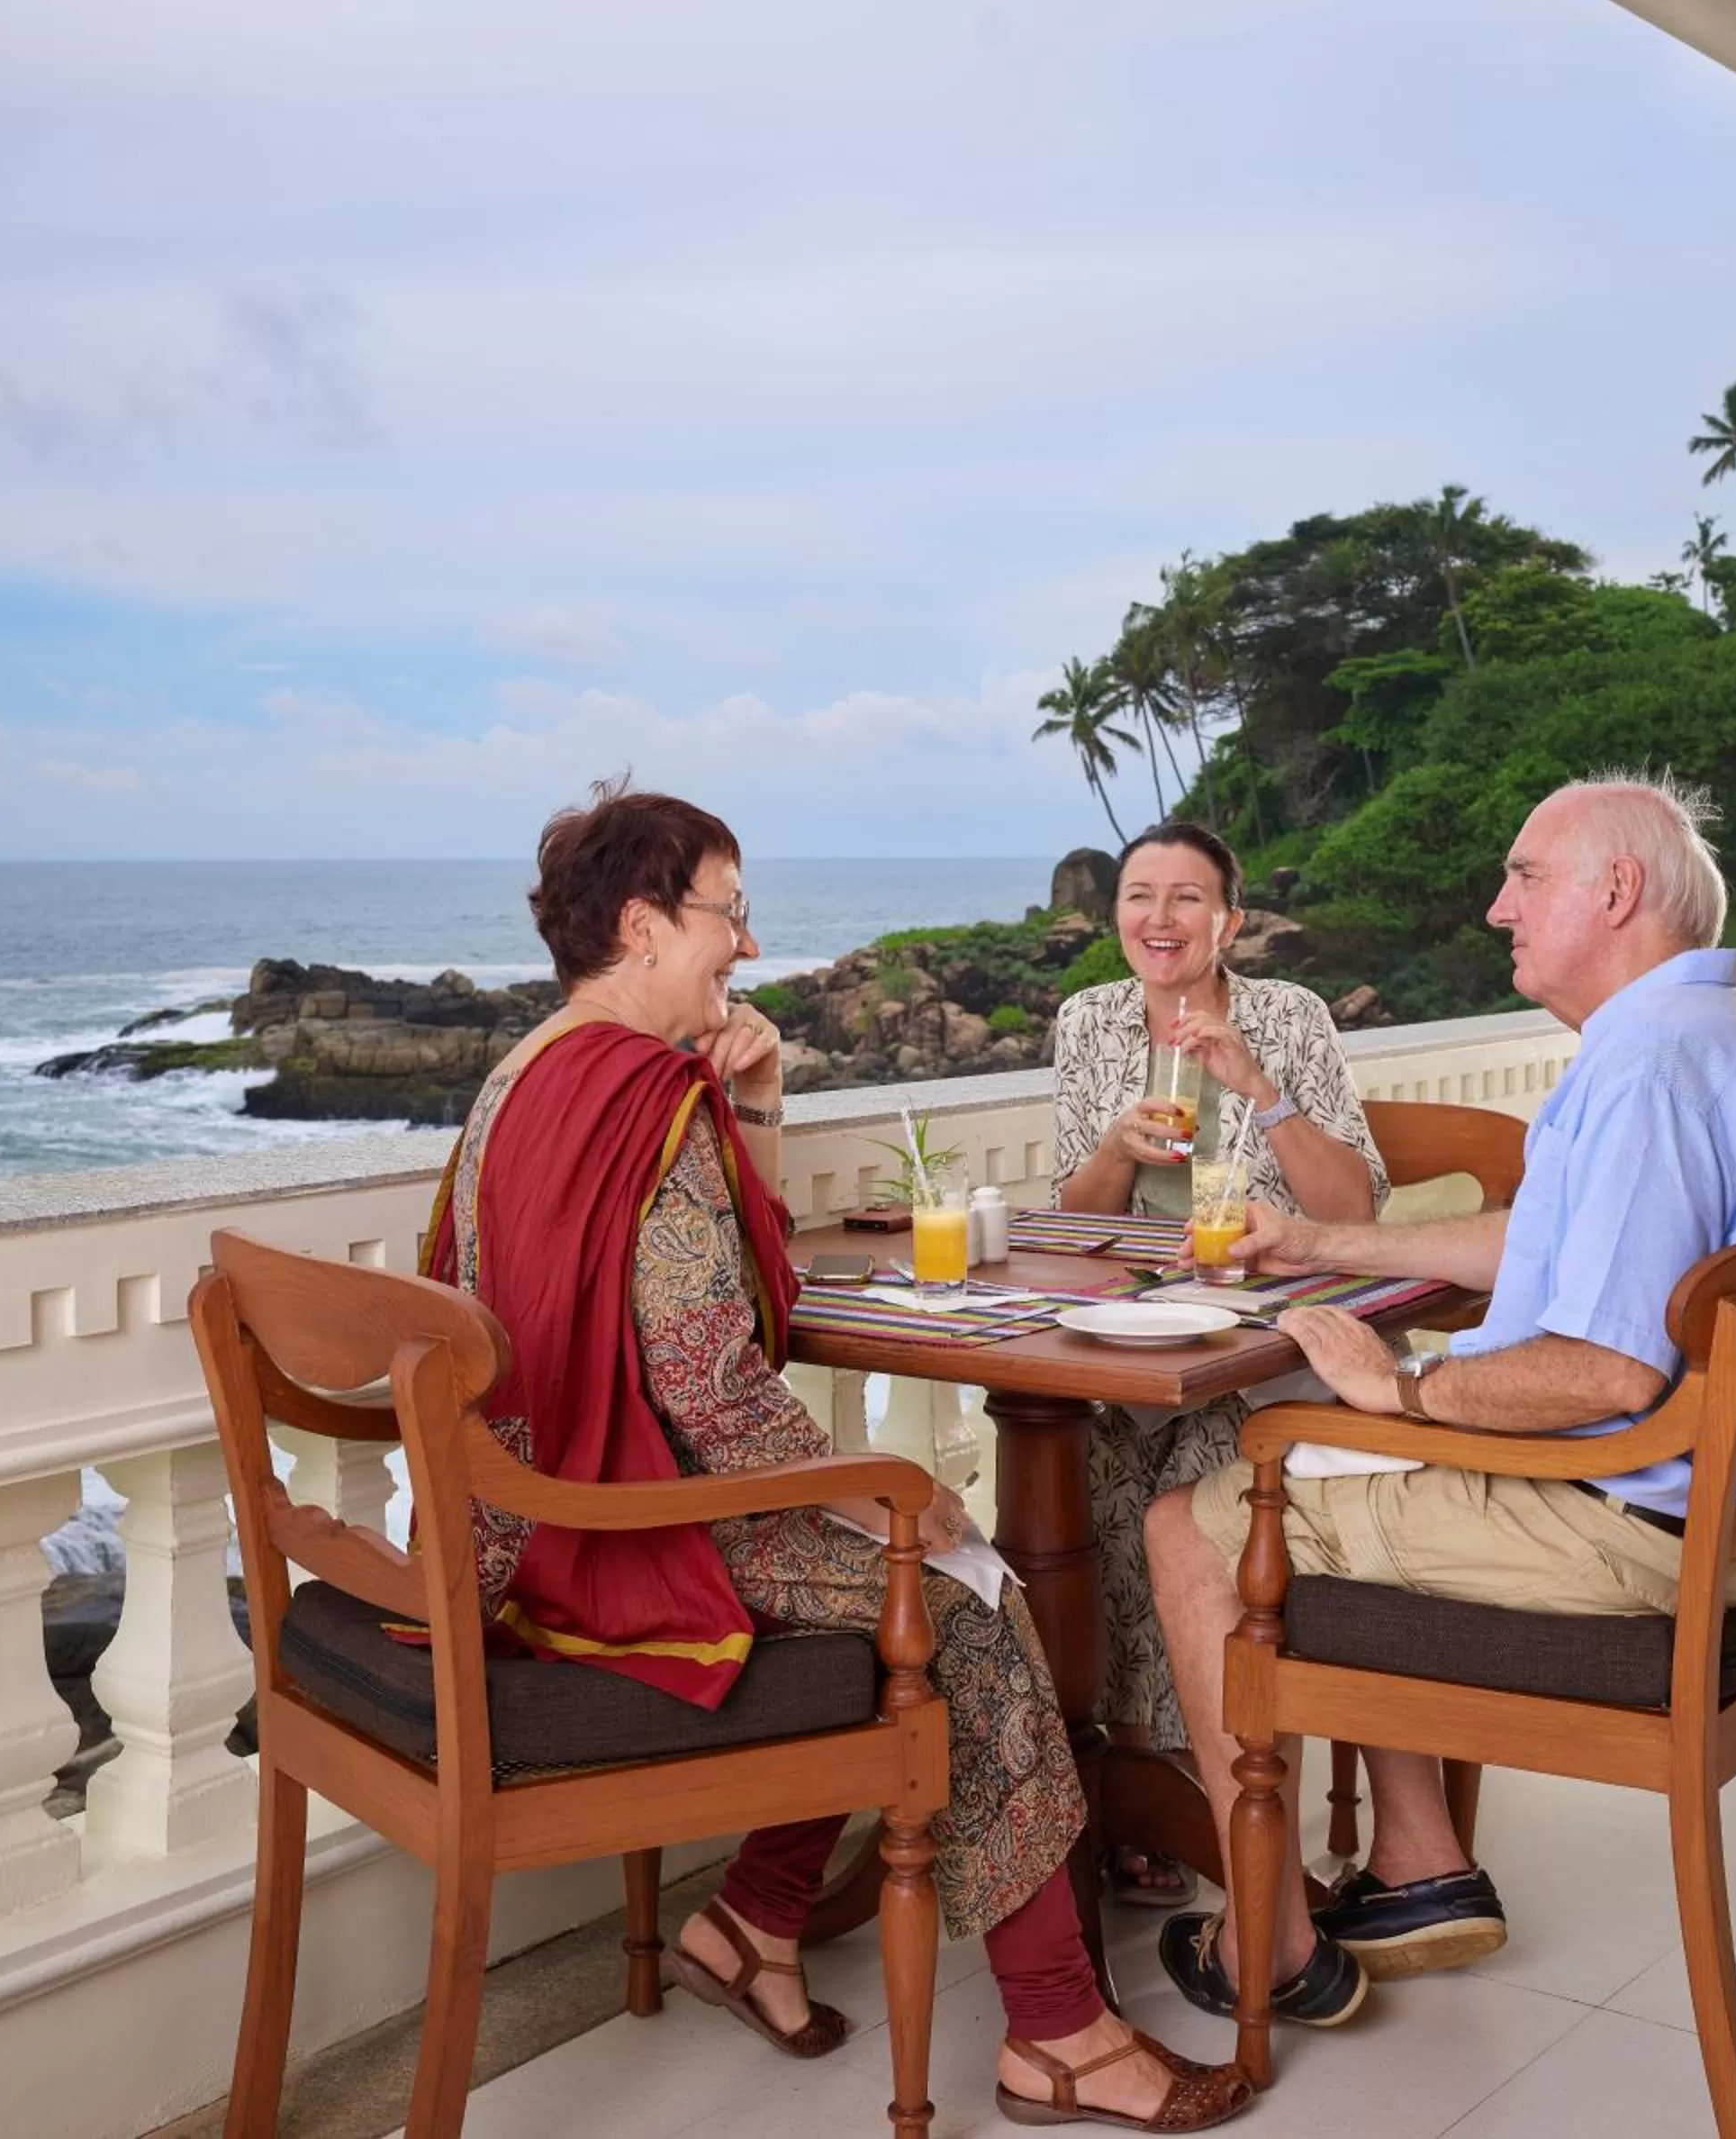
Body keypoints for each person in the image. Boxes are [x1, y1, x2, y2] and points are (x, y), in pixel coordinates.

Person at [424, 780, 1249, 2134]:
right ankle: (1056, 2030)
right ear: (641, 924)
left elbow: (694, 1302)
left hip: (516, 1525)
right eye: (725, 916)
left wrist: (753, 1102)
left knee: (920, 1570)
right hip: (623, 1530)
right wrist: (884, 1502)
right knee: (974, 1596)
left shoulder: (523, 1074)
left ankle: (751, 1920)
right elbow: (706, 1371)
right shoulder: (639, 1091)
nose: (744, 948)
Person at [1144, 773, 1736, 2029]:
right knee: (1323, 1464)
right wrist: (1315, 1244)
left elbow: (1606, 1373)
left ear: (1614, 892)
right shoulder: (1702, 1040)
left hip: (1620, 1537)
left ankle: (1273, 1940)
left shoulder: (1649, 1073)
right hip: (1721, 1522)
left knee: (1193, 1524)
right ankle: (1417, 1867)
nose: (1493, 908)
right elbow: (1546, 1241)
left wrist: (1406, 1388)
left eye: (1523, 877)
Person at [1053, 821, 1386, 1914]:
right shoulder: (1090, 1020)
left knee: (1202, 1466)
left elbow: (1352, 1209)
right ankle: (1125, 1770)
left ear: (1230, 922)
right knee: (1075, 1471)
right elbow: (1070, 1223)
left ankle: (1207, 1785)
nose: (1158, 918)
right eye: (1139, 896)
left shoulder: (1289, 1018)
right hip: (1130, 1331)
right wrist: (1114, 1149)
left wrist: (1261, 1090)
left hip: (1265, 1331)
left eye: (1186, 898)